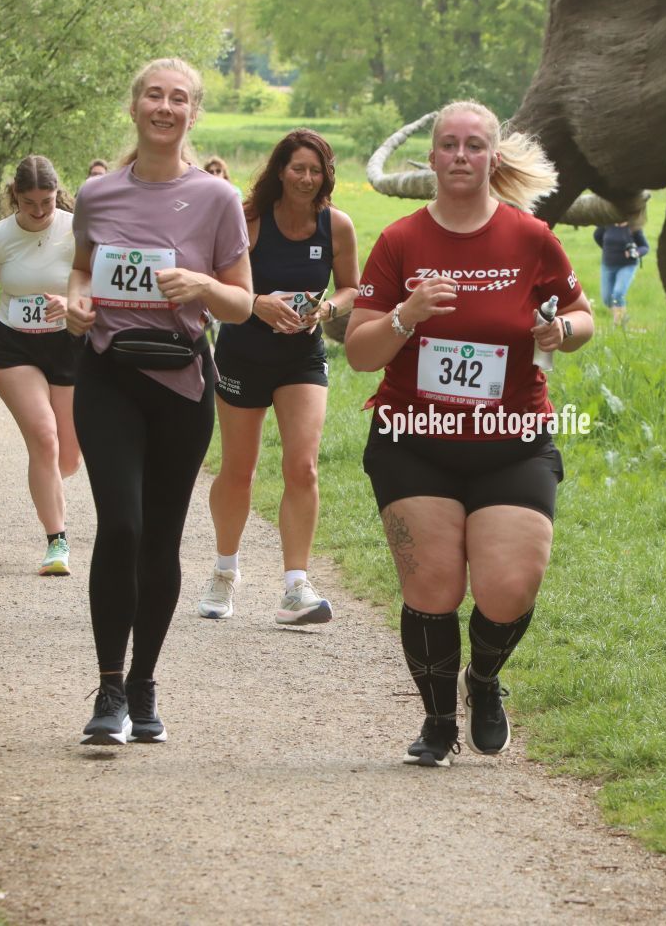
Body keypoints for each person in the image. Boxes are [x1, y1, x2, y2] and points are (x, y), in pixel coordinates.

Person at [345, 100, 593, 767]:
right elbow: (360, 353)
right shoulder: (400, 241)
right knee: (433, 588)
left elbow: (582, 315)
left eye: (474, 145)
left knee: (509, 589)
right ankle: (437, 723)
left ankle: (482, 681)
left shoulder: (530, 238)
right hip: (414, 440)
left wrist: (561, 331)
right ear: (431, 158)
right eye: (449, 144)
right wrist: (406, 315)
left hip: (512, 441)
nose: (460, 155)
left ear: (492, 157)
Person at [66, 57, 253, 746]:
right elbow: (80, 270)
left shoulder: (216, 199)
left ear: (193, 113)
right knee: (120, 525)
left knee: (161, 537)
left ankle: (145, 681)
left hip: (181, 382)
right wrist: (78, 304)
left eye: (178, 99)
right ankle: (109, 687)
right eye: (154, 95)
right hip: (108, 375)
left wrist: (201, 286)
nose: (165, 107)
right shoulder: (97, 194)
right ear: (135, 106)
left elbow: (242, 303)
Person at [199, 130, 359, 625]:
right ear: (280, 171)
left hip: (301, 358)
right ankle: (224, 571)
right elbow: (215, 285)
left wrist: (326, 309)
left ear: (326, 176)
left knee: (303, 467)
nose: (307, 179)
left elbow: (352, 288)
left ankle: (296, 586)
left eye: (316, 170)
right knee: (238, 470)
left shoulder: (336, 226)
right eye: (298, 169)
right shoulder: (249, 220)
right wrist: (255, 304)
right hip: (243, 354)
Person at [0, 155, 81, 576]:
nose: (40, 211)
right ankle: (56, 542)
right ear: (16, 196)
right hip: (14, 345)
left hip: (68, 344)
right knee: (44, 438)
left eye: (47, 201)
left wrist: (71, 303)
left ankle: (48, 485)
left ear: (57, 193)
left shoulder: (77, 229)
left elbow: (93, 284)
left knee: (68, 458)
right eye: (30, 203)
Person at [593, 221, 650, 328]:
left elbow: (645, 247)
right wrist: (607, 249)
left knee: (618, 293)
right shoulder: (607, 224)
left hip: (627, 265)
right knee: (607, 298)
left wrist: (636, 253)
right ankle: (622, 317)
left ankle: (618, 325)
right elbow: (597, 236)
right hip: (608, 265)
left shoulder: (633, 227)